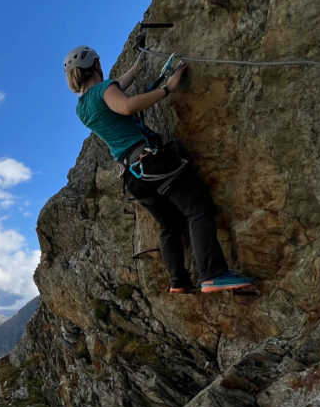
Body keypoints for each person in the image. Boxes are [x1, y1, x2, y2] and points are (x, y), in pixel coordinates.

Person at [64, 45, 254, 293]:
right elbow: (127, 105)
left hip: (133, 176)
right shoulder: (105, 90)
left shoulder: (82, 108)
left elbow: (115, 88)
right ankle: (213, 274)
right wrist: (167, 89)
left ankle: (179, 282)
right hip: (152, 161)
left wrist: (137, 66)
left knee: (170, 224)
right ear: (97, 65)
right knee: (196, 207)